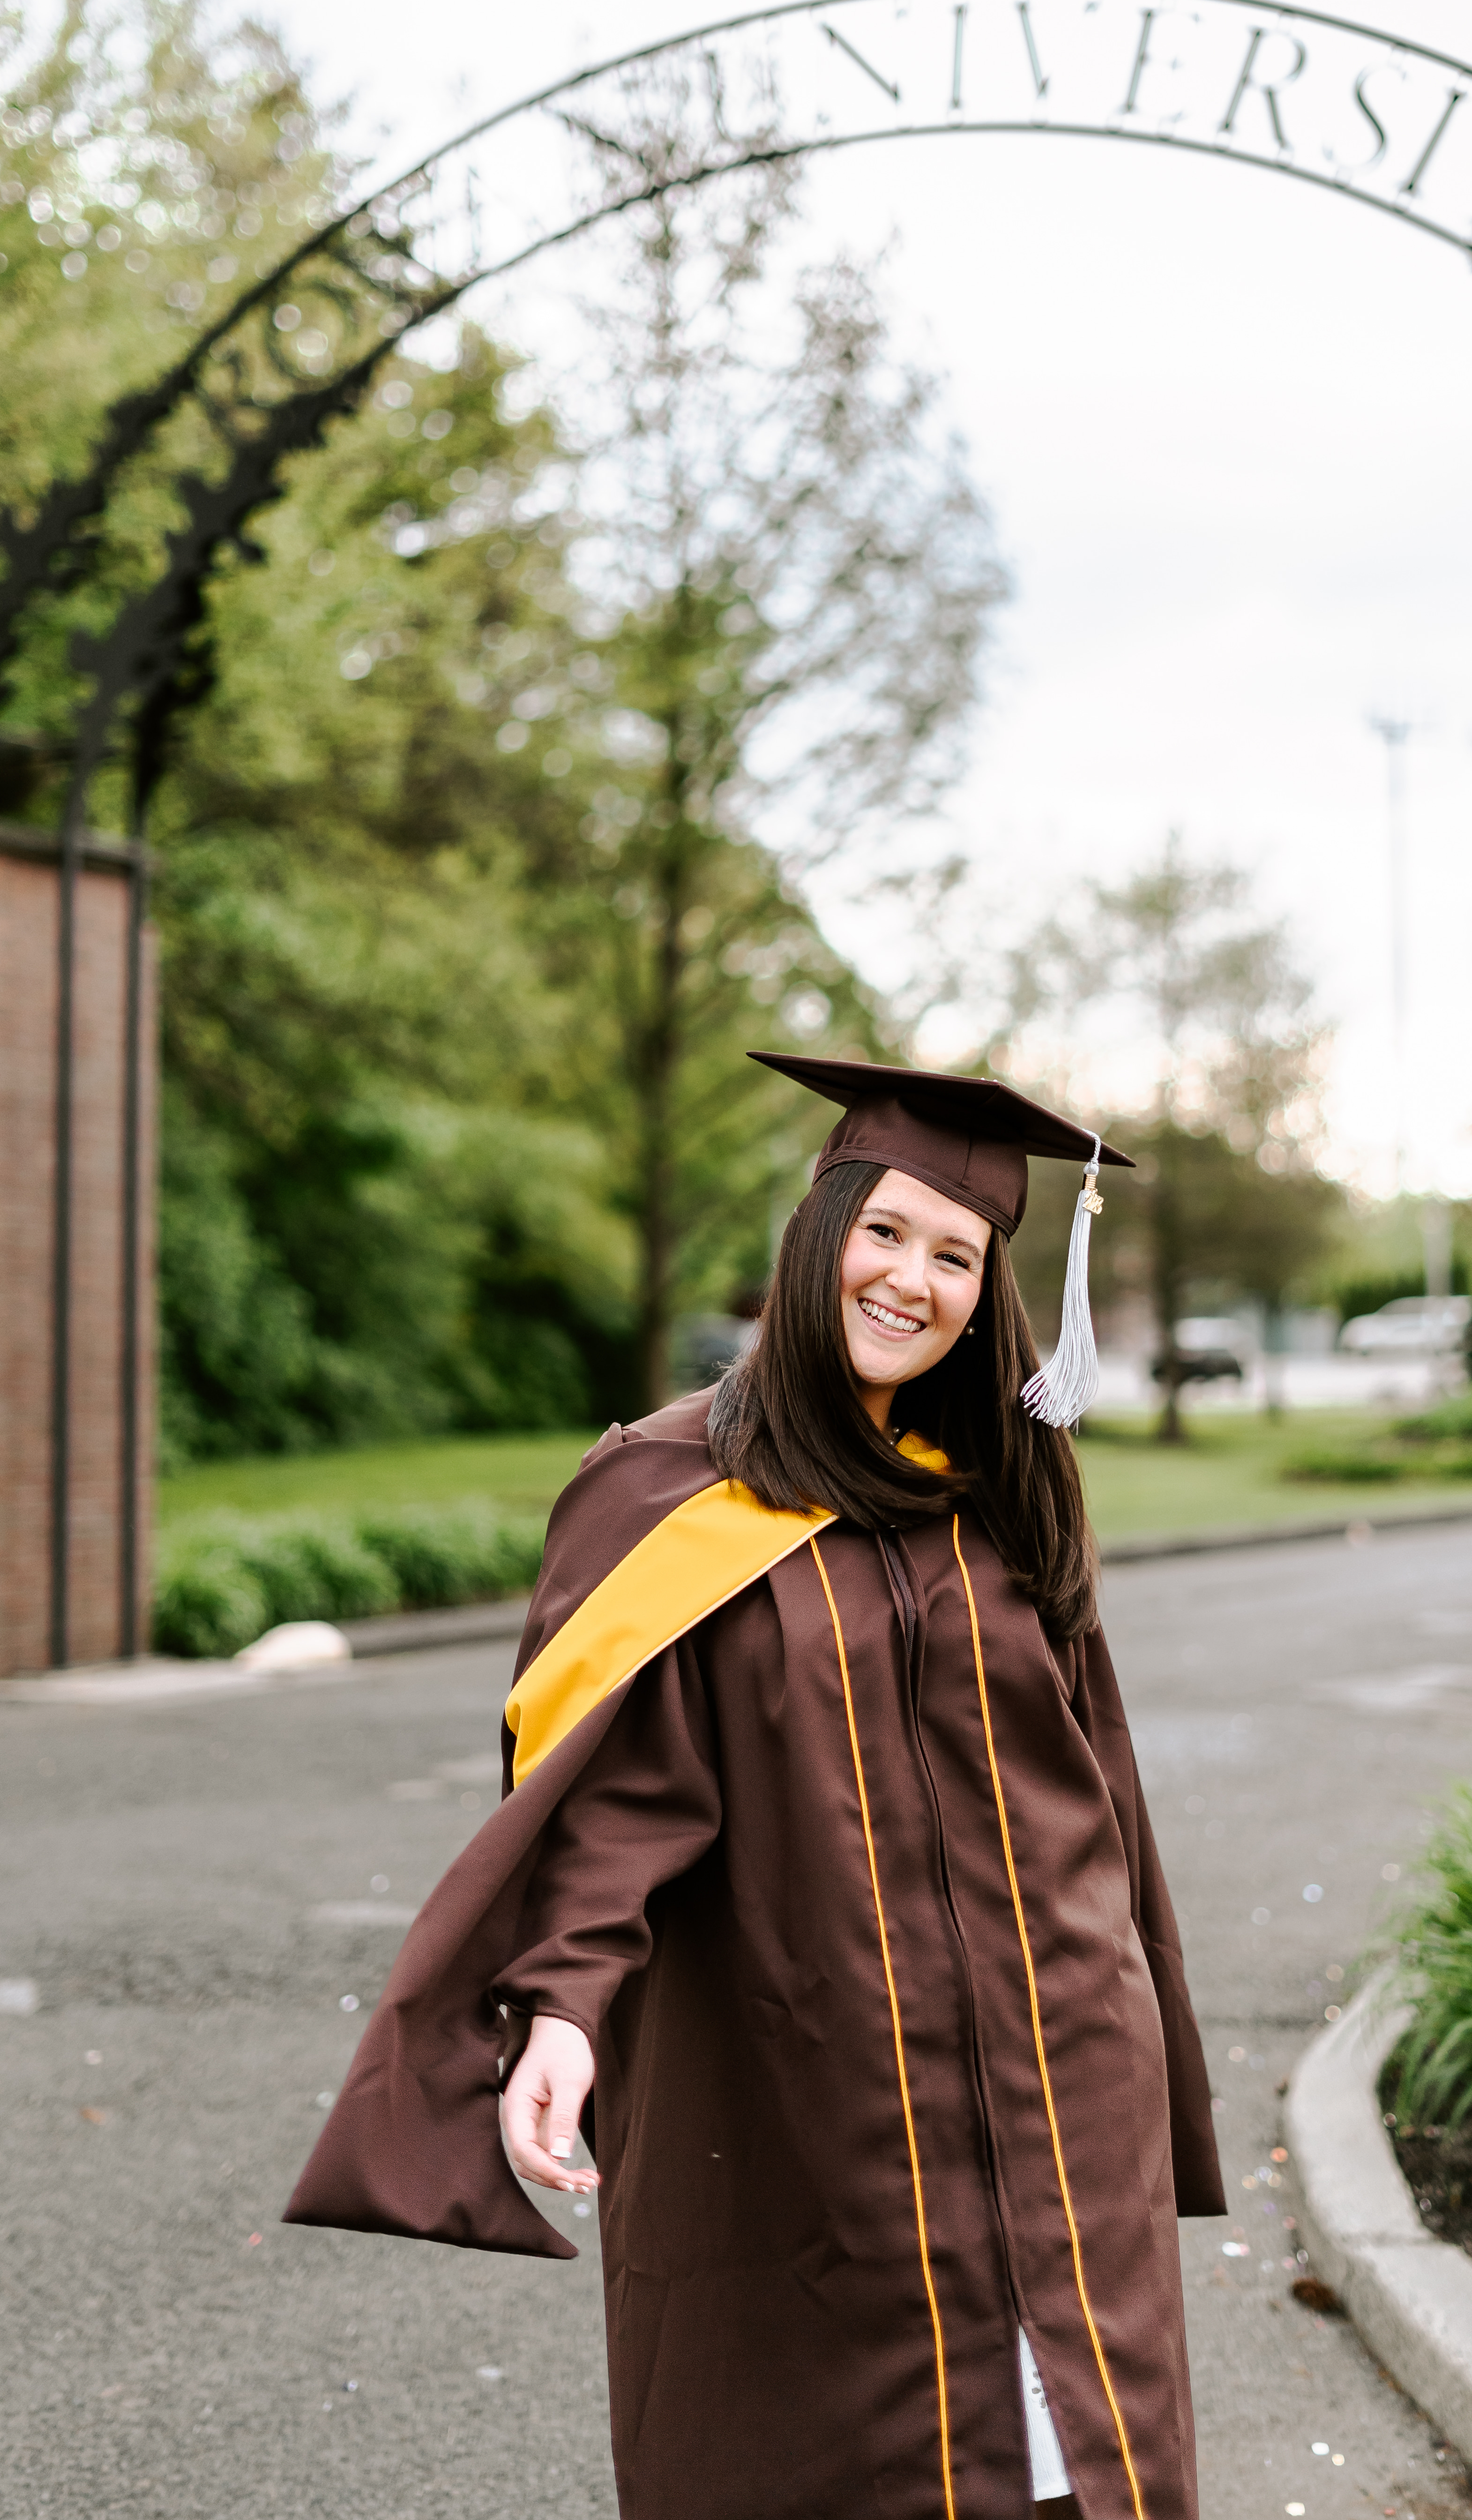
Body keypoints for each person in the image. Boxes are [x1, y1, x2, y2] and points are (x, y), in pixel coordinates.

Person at [287, 1055, 1225, 2520]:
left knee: (1075, 2465)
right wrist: (564, 2011)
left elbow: (1098, 1786)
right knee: (825, 2455)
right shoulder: (670, 1488)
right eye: (886, 1232)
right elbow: (611, 1796)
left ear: (992, 1288)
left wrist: (1143, 2029)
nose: (913, 1280)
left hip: (1055, 2079)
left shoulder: (1006, 1485)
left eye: (956, 1253)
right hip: (805, 2088)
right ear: (821, 1233)